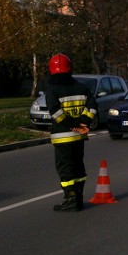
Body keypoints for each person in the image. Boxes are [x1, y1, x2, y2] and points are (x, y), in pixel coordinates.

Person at [45, 53, 97, 212]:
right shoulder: (81, 87)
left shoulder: (52, 90)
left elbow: (56, 113)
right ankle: (79, 197)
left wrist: (72, 124)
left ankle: (71, 199)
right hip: (79, 136)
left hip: (62, 138)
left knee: (65, 168)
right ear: (69, 68)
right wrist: (83, 122)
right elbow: (92, 106)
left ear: (51, 70)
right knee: (78, 166)